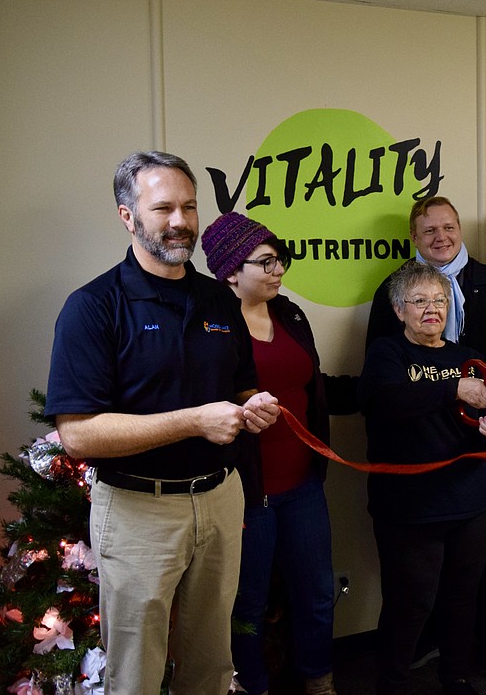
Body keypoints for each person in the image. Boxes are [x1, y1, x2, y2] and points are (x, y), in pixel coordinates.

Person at [44, 151, 281, 693]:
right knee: (136, 672)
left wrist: (253, 405)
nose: (180, 221)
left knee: (211, 662)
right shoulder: (93, 306)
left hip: (220, 500)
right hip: (136, 511)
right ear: (128, 216)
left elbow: (241, 384)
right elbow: (78, 433)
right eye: (163, 208)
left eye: (189, 207)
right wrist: (194, 421)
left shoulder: (219, 300)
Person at [365, 195, 486, 675]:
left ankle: (471, 667)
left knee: (471, 589)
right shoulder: (388, 338)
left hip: (473, 489)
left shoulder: (478, 330)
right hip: (412, 496)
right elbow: (381, 397)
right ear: (400, 309)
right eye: (419, 301)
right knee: (413, 600)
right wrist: (452, 389)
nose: (430, 309)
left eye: (438, 300)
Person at [202, 212, 358, 695]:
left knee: (315, 594)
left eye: (280, 260)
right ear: (230, 271)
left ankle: (319, 680)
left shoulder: (289, 314)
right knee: (246, 603)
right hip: (246, 492)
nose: (278, 271)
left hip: (303, 483)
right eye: (265, 262)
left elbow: (313, 386)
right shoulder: (208, 327)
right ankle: (251, 684)